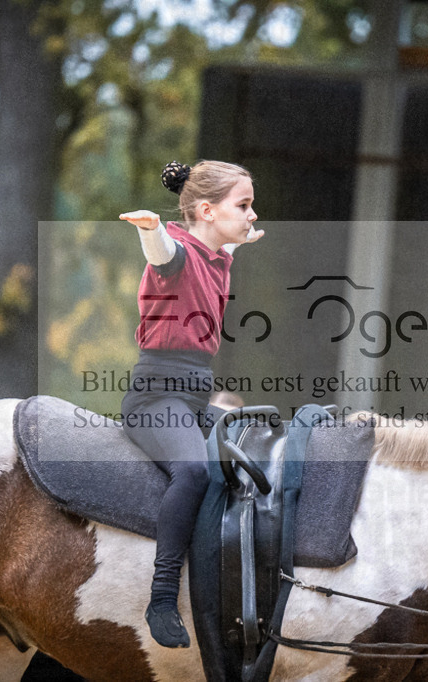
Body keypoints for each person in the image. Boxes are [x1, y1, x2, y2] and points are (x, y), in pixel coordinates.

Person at [118, 160, 263, 648]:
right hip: (156, 397)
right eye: (242, 206)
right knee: (195, 471)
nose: (251, 214)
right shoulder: (176, 253)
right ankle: (161, 598)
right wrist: (152, 229)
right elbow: (165, 254)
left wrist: (237, 238)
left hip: (196, 397)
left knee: (250, 459)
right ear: (206, 209)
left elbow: (212, 251)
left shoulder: (218, 258)